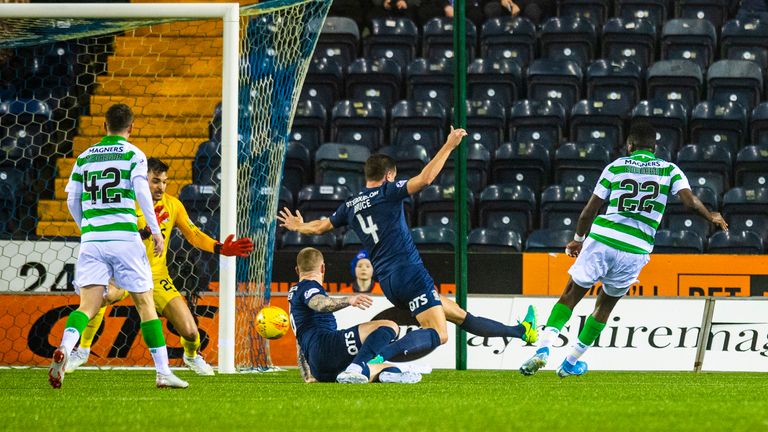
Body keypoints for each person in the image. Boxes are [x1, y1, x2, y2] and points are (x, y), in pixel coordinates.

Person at [278, 127, 537, 383]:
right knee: (439, 333)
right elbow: (425, 179)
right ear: (389, 175)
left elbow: (322, 226)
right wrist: (449, 145)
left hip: (389, 282)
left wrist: (299, 226)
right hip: (409, 272)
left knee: (457, 313)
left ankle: (521, 331)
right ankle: (371, 361)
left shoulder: (350, 205)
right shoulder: (387, 191)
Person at [519, 122, 729, 378]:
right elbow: (689, 202)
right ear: (655, 147)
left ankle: (542, 350)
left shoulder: (616, 166)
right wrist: (712, 216)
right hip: (635, 249)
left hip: (603, 238)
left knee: (570, 295)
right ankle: (570, 363)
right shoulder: (670, 170)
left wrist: (577, 239)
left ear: (630, 145)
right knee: (604, 307)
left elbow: (589, 211)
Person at [65, 157, 255, 376]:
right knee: (103, 297)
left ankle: (192, 356)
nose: (161, 187)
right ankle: (83, 350)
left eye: (164, 182)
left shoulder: (173, 204)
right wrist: (145, 231)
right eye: (155, 181)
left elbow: (193, 234)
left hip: (156, 276)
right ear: (142, 179)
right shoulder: (126, 202)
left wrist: (219, 248)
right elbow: (116, 235)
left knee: (191, 332)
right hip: (123, 271)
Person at [49, 103, 187, 389]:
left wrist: (86, 227)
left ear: (104, 126)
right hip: (125, 238)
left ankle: (66, 347)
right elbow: (142, 193)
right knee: (145, 304)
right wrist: (155, 232)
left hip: (92, 240)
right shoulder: (133, 154)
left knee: (87, 305)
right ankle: (163, 373)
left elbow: (72, 201)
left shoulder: (85, 157)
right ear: (131, 127)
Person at [289, 247, 422, 384]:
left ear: (297, 270)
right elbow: (319, 303)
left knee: (389, 368)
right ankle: (356, 368)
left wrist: (308, 374)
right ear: (322, 268)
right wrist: (348, 300)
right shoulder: (308, 287)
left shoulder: (294, 296)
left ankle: (381, 375)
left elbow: (300, 339)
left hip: (319, 367)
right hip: (328, 347)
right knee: (390, 326)